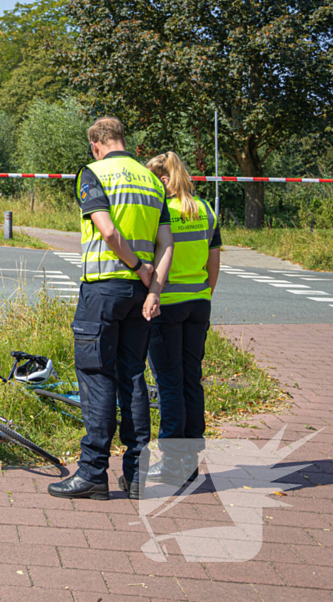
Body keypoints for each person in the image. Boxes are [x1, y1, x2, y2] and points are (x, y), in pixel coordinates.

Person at [48, 117, 174, 501]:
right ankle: (136, 476)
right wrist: (153, 287)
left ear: (96, 145)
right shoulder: (151, 179)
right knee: (133, 377)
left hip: (103, 290)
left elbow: (107, 231)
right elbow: (167, 244)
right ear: (123, 140)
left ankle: (92, 474)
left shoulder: (93, 173)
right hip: (141, 295)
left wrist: (136, 265)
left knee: (96, 376)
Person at [144, 152, 220, 484]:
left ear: (163, 180)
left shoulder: (162, 212)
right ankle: (190, 457)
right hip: (198, 303)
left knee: (168, 382)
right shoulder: (205, 210)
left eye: (150, 180)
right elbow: (214, 261)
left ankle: (173, 462)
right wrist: (204, 293)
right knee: (192, 379)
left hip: (167, 305)